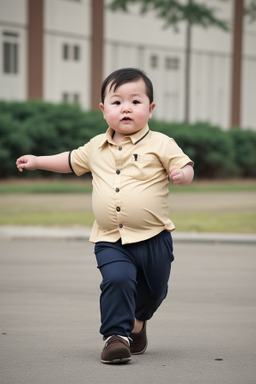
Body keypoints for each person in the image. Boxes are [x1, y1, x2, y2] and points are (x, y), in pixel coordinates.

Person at [16, 68, 194, 364]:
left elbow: (186, 166)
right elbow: (70, 160)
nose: (126, 108)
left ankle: (137, 322)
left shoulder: (162, 143)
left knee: (155, 291)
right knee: (117, 280)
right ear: (103, 110)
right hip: (110, 238)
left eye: (135, 102)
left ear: (150, 109)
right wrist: (37, 161)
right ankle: (116, 337)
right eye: (117, 102)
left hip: (154, 237)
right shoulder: (96, 147)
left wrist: (182, 174)